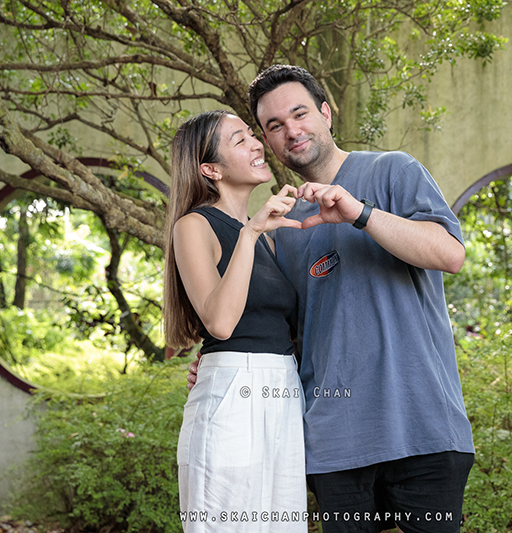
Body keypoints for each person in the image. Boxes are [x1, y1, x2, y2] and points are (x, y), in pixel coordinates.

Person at [191, 66, 476, 532]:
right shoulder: (284, 227)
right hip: (333, 442)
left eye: (299, 114)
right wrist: (220, 362)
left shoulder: (393, 169)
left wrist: (360, 213)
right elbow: (281, 327)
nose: (291, 131)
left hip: (424, 429)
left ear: (325, 113)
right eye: (274, 126)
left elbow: (449, 254)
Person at [163, 109, 308, 533]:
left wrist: (257, 231)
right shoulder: (195, 226)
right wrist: (250, 234)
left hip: (282, 392)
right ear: (211, 169)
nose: (257, 143)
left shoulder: (266, 234)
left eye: (251, 134)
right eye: (239, 140)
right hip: (231, 394)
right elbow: (221, 323)